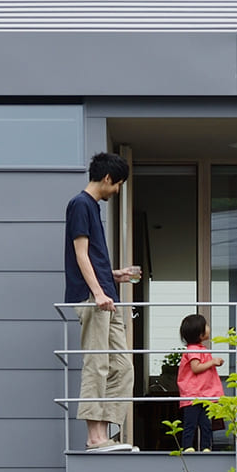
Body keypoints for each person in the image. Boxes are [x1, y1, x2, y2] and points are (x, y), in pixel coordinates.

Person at [66, 152, 142, 452]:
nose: (118, 190)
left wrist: (113, 276)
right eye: (118, 184)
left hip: (106, 297)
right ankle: (94, 437)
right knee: (97, 364)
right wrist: (98, 292)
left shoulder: (91, 207)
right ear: (108, 178)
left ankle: (104, 432)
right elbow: (80, 254)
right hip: (94, 299)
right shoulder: (80, 204)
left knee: (123, 367)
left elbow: (92, 259)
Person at [176, 312, 223, 452]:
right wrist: (212, 362)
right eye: (206, 326)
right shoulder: (193, 350)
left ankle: (205, 447)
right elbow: (195, 368)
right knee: (192, 423)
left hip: (202, 394)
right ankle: (189, 447)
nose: (209, 328)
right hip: (194, 394)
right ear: (199, 333)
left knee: (205, 423)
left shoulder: (200, 349)